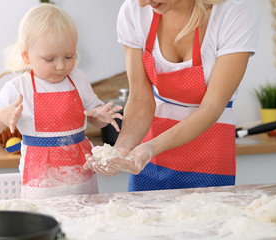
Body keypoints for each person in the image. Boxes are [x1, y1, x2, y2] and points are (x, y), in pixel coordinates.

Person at [85, 0, 260, 192]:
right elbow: (140, 99)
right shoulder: (134, 10)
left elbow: (212, 106)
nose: (143, 3)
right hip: (149, 154)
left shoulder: (234, 12)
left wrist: (151, 147)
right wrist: (120, 150)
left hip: (209, 150)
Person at [0, 3, 123, 199]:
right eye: (49, 59)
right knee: (46, 220)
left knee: (83, 215)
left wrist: (101, 115)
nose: (60, 66)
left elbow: (93, 116)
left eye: (69, 56)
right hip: (41, 181)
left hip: (80, 172)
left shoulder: (78, 79)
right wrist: (2, 116)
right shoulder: (18, 88)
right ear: (26, 56)